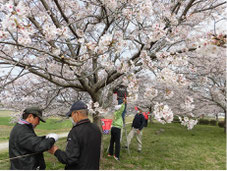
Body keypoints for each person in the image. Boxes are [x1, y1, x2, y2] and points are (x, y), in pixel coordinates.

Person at [48, 100, 102, 170]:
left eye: (71, 115)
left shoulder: (75, 132)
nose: (72, 118)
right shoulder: (96, 128)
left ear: (76, 113)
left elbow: (70, 159)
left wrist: (55, 151)